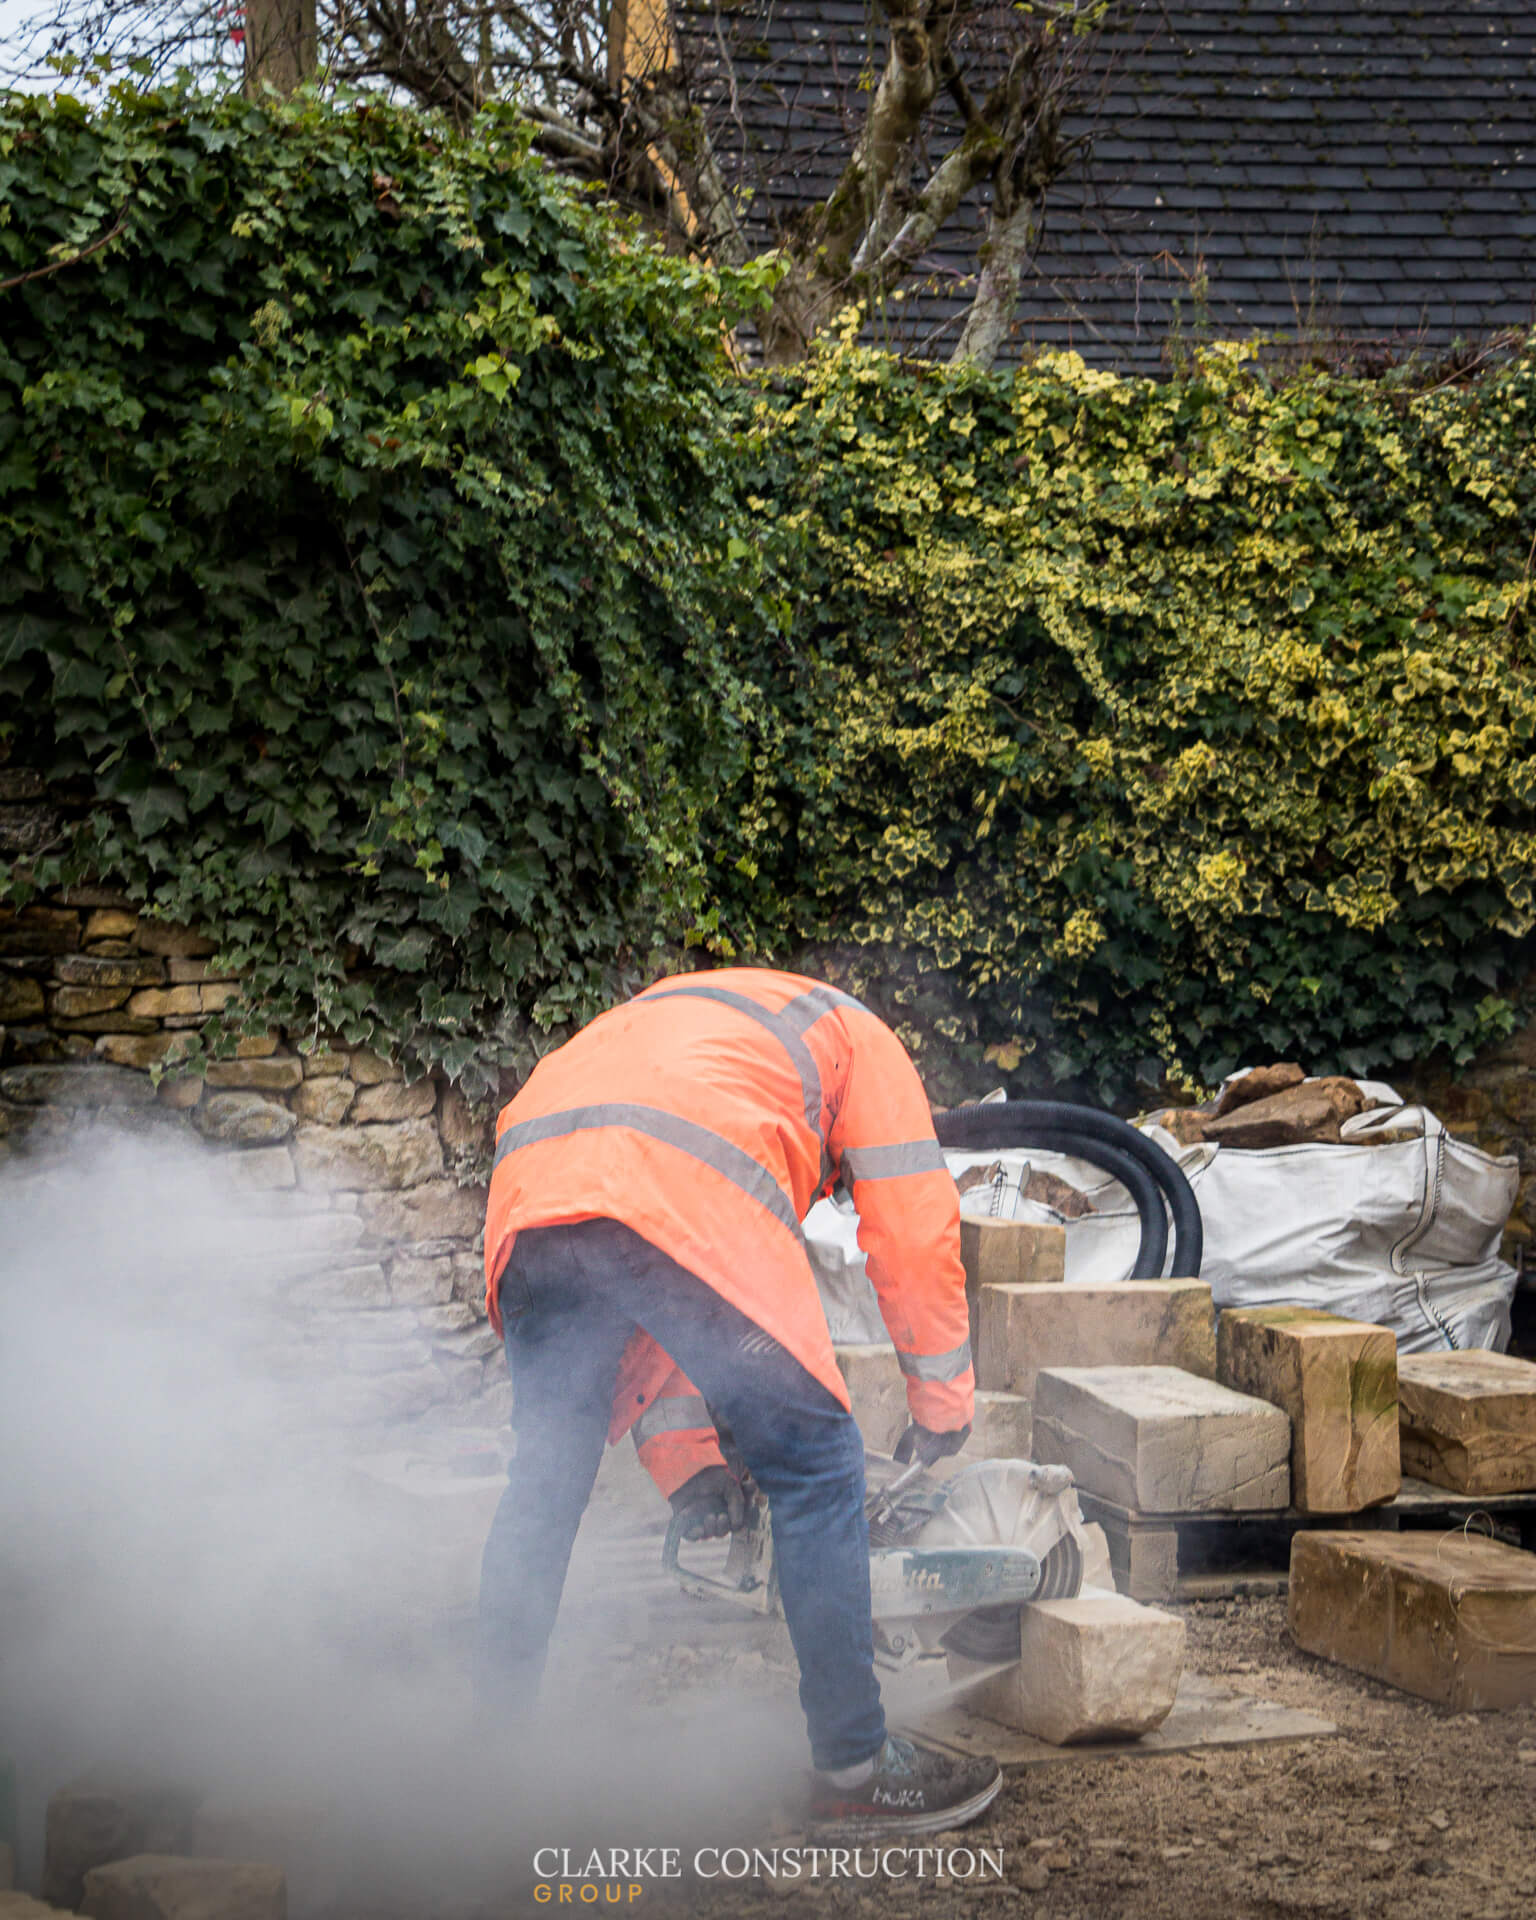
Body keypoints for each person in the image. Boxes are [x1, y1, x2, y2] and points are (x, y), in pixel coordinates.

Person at [477, 966, 1002, 1834]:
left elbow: (657, 1298)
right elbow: (911, 1228)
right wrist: (941, 1401)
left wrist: (690, 1465)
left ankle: (486, 1758)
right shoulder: (862, 1043)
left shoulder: (692, 1021)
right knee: (816, 1463)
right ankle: (856, 1768)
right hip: (663, 1178)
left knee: (546, 1480)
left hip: (532, 1191)